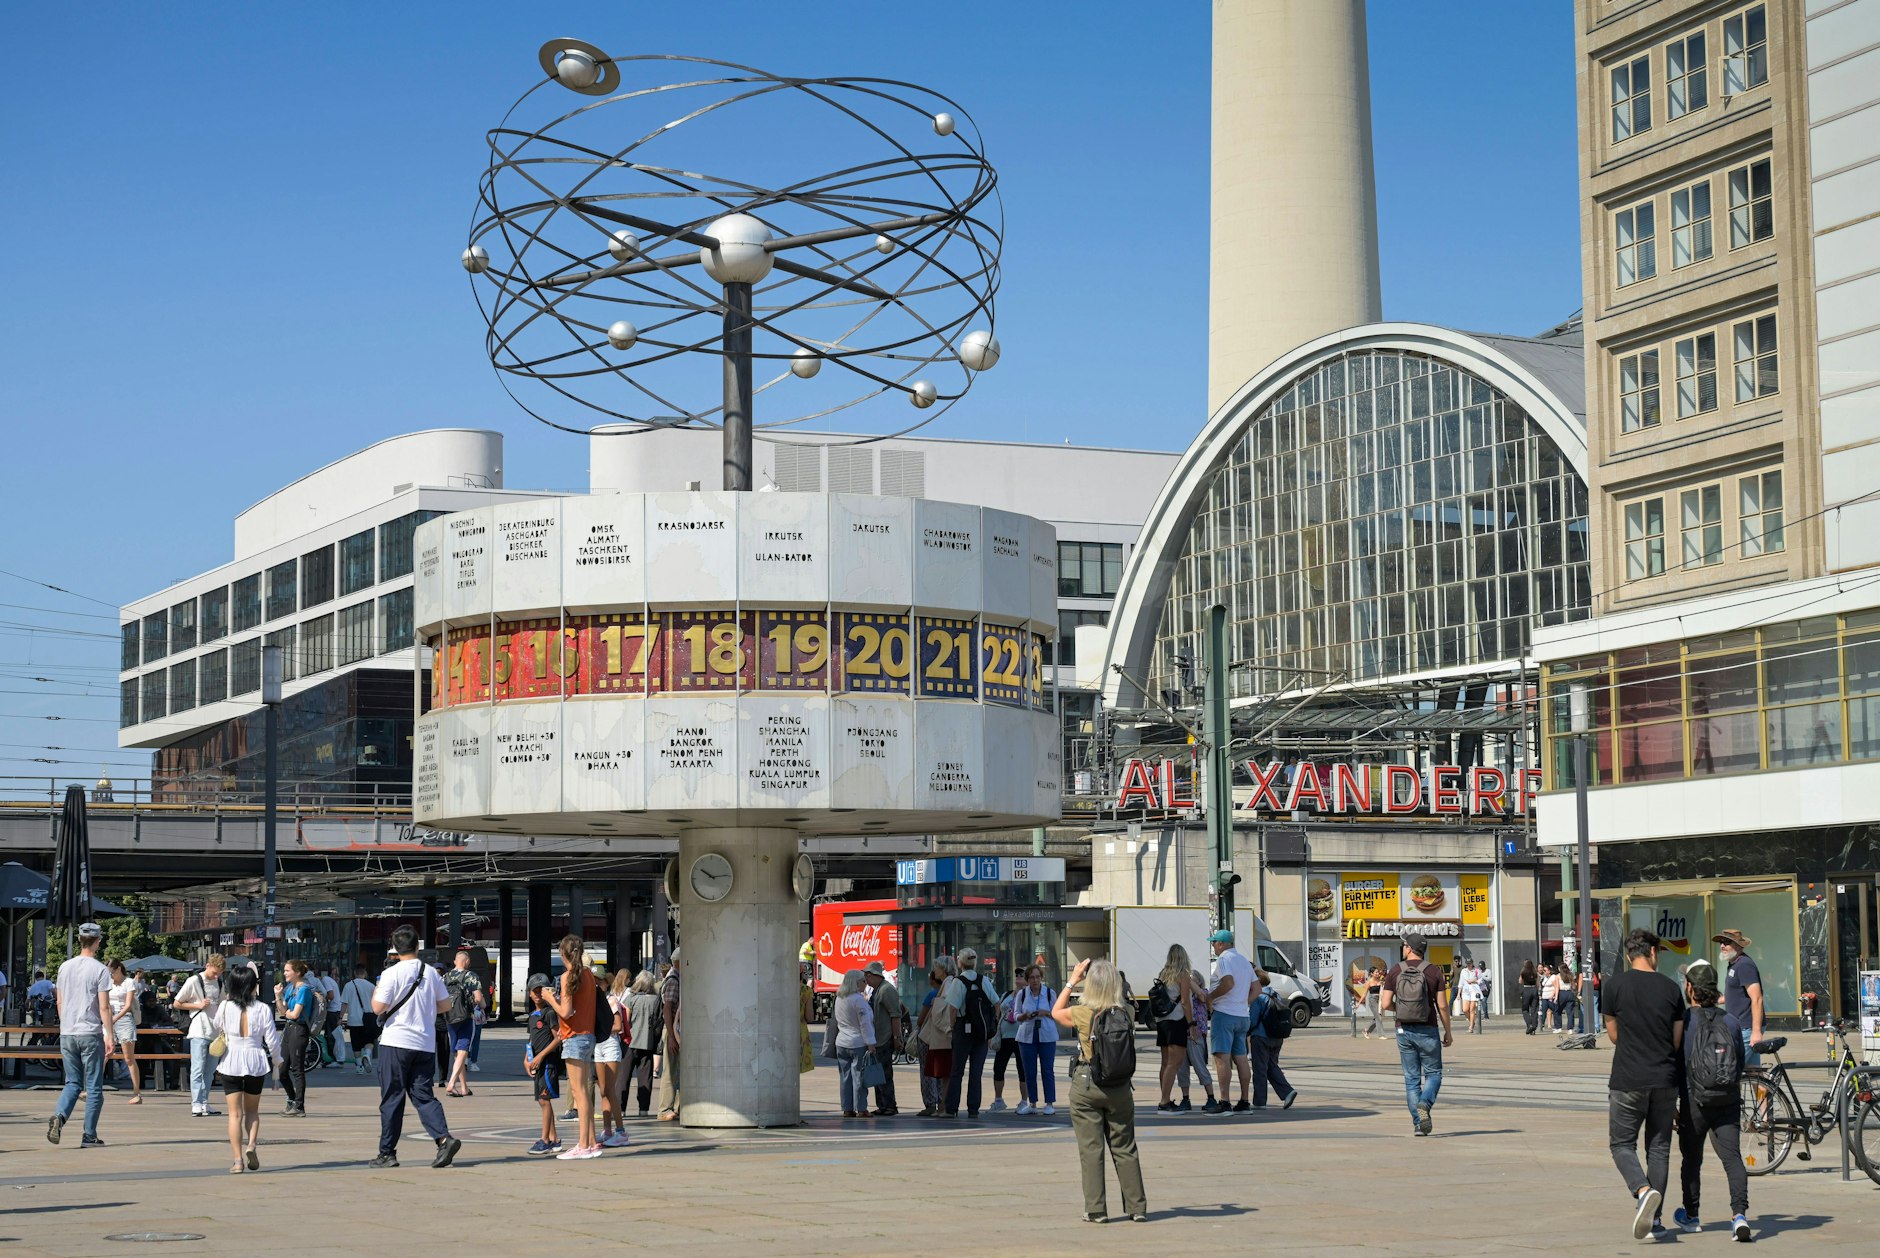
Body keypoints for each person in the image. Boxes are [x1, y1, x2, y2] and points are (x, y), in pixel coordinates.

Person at [1050, 958, 1148, 1223]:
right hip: (1119, 1086)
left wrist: (1073, 981)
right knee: (1125, 1146)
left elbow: (1055, 1012)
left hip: (1087, 1083)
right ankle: (1136, 1207)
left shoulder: (1082, 1012)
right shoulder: (1127, 1011)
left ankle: (1096, 1210)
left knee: (1091, 1149)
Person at [1603, 928, 1685, 1244]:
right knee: (1659, 1147)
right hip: (1665, 1078)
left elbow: (1613, 1035)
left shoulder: (1614, 987)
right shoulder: (1671, 989)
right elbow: (1676, 1041)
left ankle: (1642, 1190)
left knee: (1621, 1144)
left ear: (1628, 954)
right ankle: (1656, 1220)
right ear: (1653, 953)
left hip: (1628, 1078)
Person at [370, 924, 463, 1169]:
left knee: (392, 1098)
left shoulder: (391, 973)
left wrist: (379, 987)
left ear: (395, 949)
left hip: (396, 1042)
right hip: (424, 1043)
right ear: (417, 946)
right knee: (423, 1095)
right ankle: (444, 1139)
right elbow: (445, 1006)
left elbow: (378, 1008)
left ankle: (387, 1153)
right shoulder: (430, 972)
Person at [1672, 960, 1752, 1242]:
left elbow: (1678, 1065)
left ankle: (1691, 1216)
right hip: (1727, 1101)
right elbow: (1739, 1062)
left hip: (1695, 1101)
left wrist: (1679, 1104)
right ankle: (1739, 1216)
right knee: (1732, 1159)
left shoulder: (1685, 1020)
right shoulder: (1731, 1021)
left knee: (1692, 1160)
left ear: (1690, 988)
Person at [47, 922, 115, 1148]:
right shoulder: (100, 970)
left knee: (72, 1082)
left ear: (79, 940)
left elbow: (59, 1001)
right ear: (98, 941)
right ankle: (89, 1135)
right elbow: (104, 1007)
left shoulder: (64, 967)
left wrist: (66, 1023)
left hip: (67, 1032)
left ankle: (60, 1116)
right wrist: (109, 1035)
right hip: (90, 1032)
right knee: (94, 1086)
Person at [1379, 932, 1451, 1137]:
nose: (1403, 947)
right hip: (1428, 1029)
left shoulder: (1395, 971)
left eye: (1404, 945)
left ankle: (1419, 1124)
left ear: (1410, 948)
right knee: (1434, 1073)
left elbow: (1385, 1004)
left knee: (1411, 1079)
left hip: (1403, 1030)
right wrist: (1448, 1031)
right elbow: (1443, 1006)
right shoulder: (1434, 971)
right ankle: (1424, 1104)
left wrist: (1400, 1009)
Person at [212, 962, 282, 1174]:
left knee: (234, 1114)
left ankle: (237, 1160)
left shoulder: (225, 1006)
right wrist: (277, 1062)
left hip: (231, 1060)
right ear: (253, 985)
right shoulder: (262, 1008)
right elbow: (272, 1040)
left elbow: (217, 1025)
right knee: (252, 1110)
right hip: (255, 1060)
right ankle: (251, 1144)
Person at [541, 935, 602, 1158]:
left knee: (579, 1093)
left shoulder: (568, 977)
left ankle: (583, 1145)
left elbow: (565, 1012)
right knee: (583, 1091)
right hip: (588, 1036)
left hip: (574, 1037)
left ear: (563, 954)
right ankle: (592, 1142)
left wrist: (549, 998)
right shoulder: (588, 975)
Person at [1202, 928, 1256, 1114]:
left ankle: (1224, 1101)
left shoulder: (1224, 959)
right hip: (1242, 1015)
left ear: (1222, 944)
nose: (1213, 946)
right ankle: (1244, 1101)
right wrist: (1243, 1003)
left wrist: (1211, 998)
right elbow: (1257, 989)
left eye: (1214, 943)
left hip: (1224, 1013)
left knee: (1221, 1058)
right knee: (1241, 1058)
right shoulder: (1244, 961)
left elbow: (1228, 983)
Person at [942, 947, 1000, 1118]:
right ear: (975, 963)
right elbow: (997, 1004)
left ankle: (952, 1108)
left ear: (960, 963)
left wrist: (951, 1027)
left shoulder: (958, 982)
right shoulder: (984, 981)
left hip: (963, 1030)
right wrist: (992, 1026)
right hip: (981, 1033)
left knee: (957, 1071)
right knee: (976, 1073)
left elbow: (952, 1009)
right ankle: (973, 1109)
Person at [174, 955, 227, 1117]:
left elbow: (223, 1004)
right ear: (207, 965)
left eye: (219, 973)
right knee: (197, 1068)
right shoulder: (194, 981)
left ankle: (204, 1102)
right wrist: (197, 1005)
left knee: (210, 1071)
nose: (216, 976)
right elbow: (177, 1003)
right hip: (198, 1030)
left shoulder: (219, 983)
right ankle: (196, 1103)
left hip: (215, 1032)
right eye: (214, 972)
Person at [523, 974, 565, 1156]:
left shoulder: (549, 1013)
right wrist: (527, 1059)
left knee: (544, 1100)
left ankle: (545, 1140)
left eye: (542, 991)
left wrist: (540, 1056)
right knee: (543, 1102)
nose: (538, 994)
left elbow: (558, 1038)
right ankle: (554, 1139)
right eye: (535, 991)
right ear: (530, 994)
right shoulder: (532, 1016)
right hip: (538, 1063)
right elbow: (531, 1039)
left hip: (548, 1063)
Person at [1153, 944, 1197, 1111]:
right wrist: (1191, 1023)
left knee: (1165, 1063)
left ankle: (1165, 1098)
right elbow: (1185, 1002)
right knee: (1175, 1063)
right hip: (1177, 1021)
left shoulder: (1163, 974)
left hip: (1162, 1022)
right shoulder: (1183, 975)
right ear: (1183, 957)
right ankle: (1164, 1102)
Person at [1713, 930, 1764, 1069]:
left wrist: (1756, 1031)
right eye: (1721, 942)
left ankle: (1732, 1092)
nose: (1722, 945)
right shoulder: (1734, 964)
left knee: (1730, 1069)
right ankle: (1768, 1091)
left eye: (1727, 942)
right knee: (1754, 1073)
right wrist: (1715, 1000)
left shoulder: (1744, 964)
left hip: (1746, 1028)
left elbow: (1757, 998)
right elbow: (1736, 995)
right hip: (1741, 1026)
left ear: (1738, 945)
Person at [1013, 964, 1059, 1115]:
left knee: (1047, 1069)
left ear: (1041, 978)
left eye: (1038, 977)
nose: (1035, 980)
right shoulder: (1022, 994)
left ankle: (1049, 1103)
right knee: (1029, 1071)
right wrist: (1024, 1016)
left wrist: (1045, 1012)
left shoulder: (1049, 993)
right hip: (1027, 1034)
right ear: (1027, 979)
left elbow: (1058, 1014)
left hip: (1047, 1034)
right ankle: (1032, 1103)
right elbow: (1016, 1014)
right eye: (1032, 977)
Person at [1248, 970, 1298, 1109]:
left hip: (1261, 1036)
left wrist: (1245, 1030)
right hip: (1277, 1037)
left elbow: (1252, 1020)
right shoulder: (1275, 994)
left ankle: (1259, 1102)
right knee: (1271, 1066)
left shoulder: (1258, 996)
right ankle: (1287, 1092)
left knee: (1260, 1070)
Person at [832, 969, 876, 1118]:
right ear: (856, 983)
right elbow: (865, 1024)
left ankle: (847, 1108)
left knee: (845, 1077)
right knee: (859, 1077)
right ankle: (861, 1108)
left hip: (841, 1042)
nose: (865, 984)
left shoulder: (839, 998)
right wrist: (871, 1043)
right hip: (857, 1042)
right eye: (863, 981)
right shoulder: (858, 1000)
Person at [862, 960, 903, 1117]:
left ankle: (890, 1105)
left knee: (885, 1074)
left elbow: (896, 1015)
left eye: (868, 975)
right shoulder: (877, 990)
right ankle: (882, 1105)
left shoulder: (886, 990)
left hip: (885, 1038)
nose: (866, 978)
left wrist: (897, 1037)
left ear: (875, 975)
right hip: (877, 1038)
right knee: (878, 1074)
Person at [1173, 967, 1217, 1112]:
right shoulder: (1184, 994)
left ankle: (1211, 1097)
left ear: (1199, 981)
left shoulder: (1203, 993)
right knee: (1182, 1068)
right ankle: (1185, 1099)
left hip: (1196, 1034)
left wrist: (1187, 979)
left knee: (1199, 1066)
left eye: (1193, 978)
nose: (1189, 980)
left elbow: (1202, 997)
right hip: (1182, 1033)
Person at [442, 949, 485, 1098]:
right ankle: (452, 1083)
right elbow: (479, 999)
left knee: (457, 1052)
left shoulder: (445, 977)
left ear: (455, 962)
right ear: (467, 962)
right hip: (466, 1017)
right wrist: (477, 1005)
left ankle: (464, 1087)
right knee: (463, 1050)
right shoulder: (471, 976)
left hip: (449, 1018)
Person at [915, 958, 955, 1117]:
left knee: (932, 1071)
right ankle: (941, 1103)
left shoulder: (942, 989)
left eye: (936, 968)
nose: (934, 971)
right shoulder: (949, 985)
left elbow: (923, 1018)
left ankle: (936, 1104)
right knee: (942, 1073)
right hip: (941, 1036)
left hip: (936, 1036)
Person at [593, 970, 629, 1148]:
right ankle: (607, 1130)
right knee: (603, 1091)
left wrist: (598, 1029)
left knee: (610, 1089)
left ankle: (621, 1131)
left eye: (599, 982)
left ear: (606, 983)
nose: (596, 985)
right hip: (598, 1046)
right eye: (593, 982)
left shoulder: (611, 1000)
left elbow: (617, 1025)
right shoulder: (591, 1002)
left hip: (610, 1045)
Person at [276, 959, 315, 1117]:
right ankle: (292, 1099)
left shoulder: (304, 989)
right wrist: (278, 996)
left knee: (298, 1069)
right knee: (282, 1069)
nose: (284, 973)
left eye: (287, 970)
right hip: (289, 1029)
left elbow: (295, 1013)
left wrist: (287, 1013)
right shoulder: (289, 988)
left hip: (299, 1030)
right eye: (284, 970)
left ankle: (299, 1106)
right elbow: (283, 1011)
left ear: (297, 972)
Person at [106, 960, 144, 1105]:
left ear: (119, 969)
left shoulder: (129, 982)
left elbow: (128, 1005)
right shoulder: (108, 983)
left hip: (124, 1018)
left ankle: (136, 1093)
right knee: (104, 1054)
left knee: (128, 1058)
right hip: (109, 1017)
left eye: (112, 972)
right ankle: (90, 1090)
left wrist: (115, 1018)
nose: (111, 975)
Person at [624, 970, 661, 1118]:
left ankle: (621, 1108)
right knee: (645, 1078)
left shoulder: (631, 999)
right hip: (648, 1043)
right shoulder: (656, 999)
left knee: (623, 1077)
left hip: (630, 1042)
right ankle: (643, 1109)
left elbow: (625, 1020)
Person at [656, 950, 682, 1122]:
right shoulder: (673, 980)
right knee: (670, 1071)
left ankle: (678, 1107)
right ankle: (665, 1109)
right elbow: (667, 1008)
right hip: (673, 1030)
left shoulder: (676, 978)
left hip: (676, 1030)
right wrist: (672, 1036)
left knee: (678, 1071)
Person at [340, 964, 379, 1074]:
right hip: (369, 1019)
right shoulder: (371, 986)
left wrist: (340, 1017)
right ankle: (367, 1054)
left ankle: (359, 1067)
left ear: (355, 973)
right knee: (369, 1040)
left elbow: (344, 1004)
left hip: (354, 1020)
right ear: (364, 973)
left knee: (356, 1044)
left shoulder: (349, 985)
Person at [990, 985, 1022, 1111]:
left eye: (1021, 976)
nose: (1018, 978)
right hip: (1004, 1037)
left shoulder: (1028, 995)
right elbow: (999, 1012)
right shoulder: (1006, 994)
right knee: (998, 1068)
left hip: (1021, 1037)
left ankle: (1024, 1100)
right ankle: (998, 1100)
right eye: (1017, 976)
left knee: (1022, 1069)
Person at [318, 966, 344, 1065]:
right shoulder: (329, 980)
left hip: (333, 1010)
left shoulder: (325, 980)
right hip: (334, 1009)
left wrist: (321, 997)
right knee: (332, 1034)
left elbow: (331, 996)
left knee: (331, 1035)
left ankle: (333, 1059)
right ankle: (333, 1058)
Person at [1458, 958, 1483, 1035]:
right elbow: (1461, 982)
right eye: (1467, 963)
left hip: (1474, 990)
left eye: (1470, 963)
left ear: (1472, 963)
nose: (1469, 965)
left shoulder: (1476, 971)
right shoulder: (1463, 971)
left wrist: (1473, 981)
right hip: (1466, 991)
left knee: (1472, 1009)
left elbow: (1481, 980)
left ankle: (1471, 1027)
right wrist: (1459, 993)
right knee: (1465, 1009)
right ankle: (1471, 1021)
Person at [1363, 964, 1386, 1039]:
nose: (1377, 973)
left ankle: (1367, 1030)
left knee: (1378, 1016)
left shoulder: (1380, 980)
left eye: (1378, 972)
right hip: (1372, 1000)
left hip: (1379, 1000)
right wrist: (1358, 1003)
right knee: (1378, 1017)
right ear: (1371, 973)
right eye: (1376, 972)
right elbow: (1364, 993)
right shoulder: (1369, 982)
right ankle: (1381, 1035)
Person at [1519, 960, 1540, 1035]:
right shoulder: (1535, 973)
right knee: (1534, 1009)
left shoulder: (1523, 972)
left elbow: (1520, 981)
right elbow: (1538, 984)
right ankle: (1534, 1026)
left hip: (1526, 989)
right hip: (1534, 990)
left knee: (1525, 1009)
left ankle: (1529, 1024)